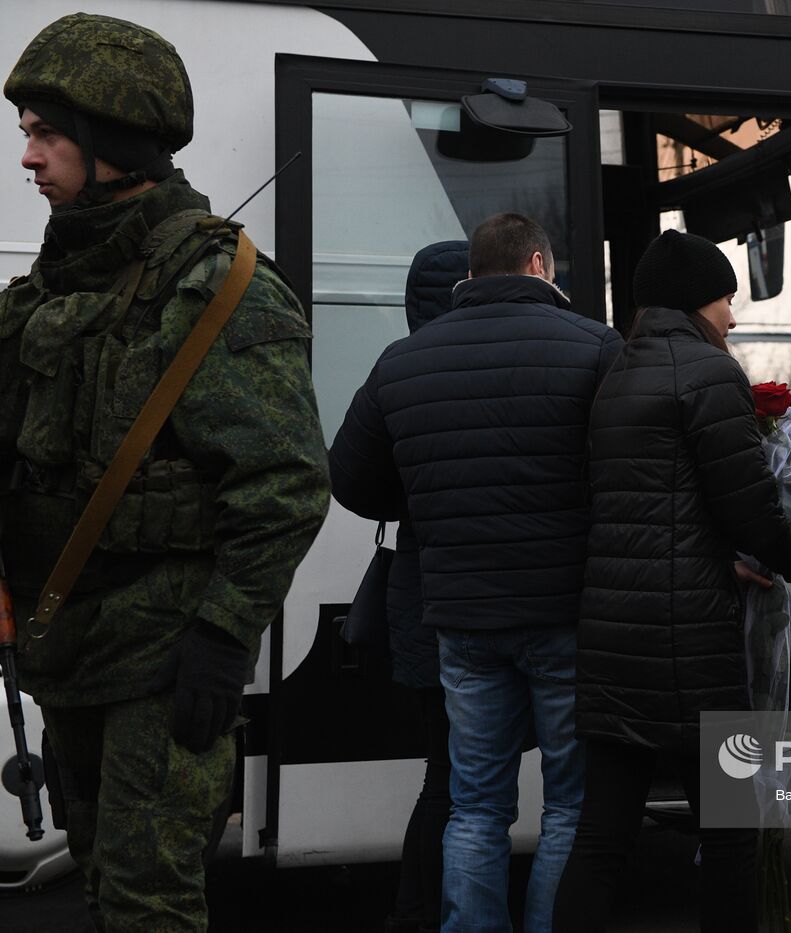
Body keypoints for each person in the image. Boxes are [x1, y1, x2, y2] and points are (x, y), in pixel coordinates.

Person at [0, 13, 330, 931]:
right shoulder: (52, 288)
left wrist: (224, 638)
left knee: (148, 903)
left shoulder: (215, 285)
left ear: (113, 144)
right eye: (28, 133)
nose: (30, 157)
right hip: (67, 646)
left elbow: (286, 483)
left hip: (158, 654)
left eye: (48, 135)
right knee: (103, 882)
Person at [329, 213, 621, 933]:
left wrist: (427, 497)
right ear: (537, 264)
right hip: (564, 611)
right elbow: (627, 470)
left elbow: (348, 478)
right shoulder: (597, 347)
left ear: (471, 272)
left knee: (476, 803)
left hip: (459, 617)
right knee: (570, 803)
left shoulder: (403, 360)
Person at [554, 229, 791, 933]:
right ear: (699, 299)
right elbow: (748, 507)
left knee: (602, 836)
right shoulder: (707, 372)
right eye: (727, 296)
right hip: (692, 642)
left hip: (612, 634)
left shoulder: (616, 371)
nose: (733, 313)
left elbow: (651, 503)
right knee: (729, 833)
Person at [381, 240, 470, 933]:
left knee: (442, 777)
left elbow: (351, 479)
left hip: (421, 602)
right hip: (503, 612)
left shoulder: (399, 368)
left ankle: (417, 914)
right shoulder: (527, 354)